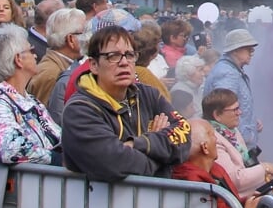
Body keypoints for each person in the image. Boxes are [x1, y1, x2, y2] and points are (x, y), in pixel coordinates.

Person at [61, 26, 191, 181]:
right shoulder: (80, 110)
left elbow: (185, 134)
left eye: (129, 55)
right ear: (94, 65)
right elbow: (114, 164)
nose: (124, 62)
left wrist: (139, 143)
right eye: (113, 56)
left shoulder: (149, 95)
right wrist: (162, 159)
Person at [0, 25, 62, 165]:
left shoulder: (28, 99)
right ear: (18, 59)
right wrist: (56, 159)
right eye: (31, 50)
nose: (35, 55)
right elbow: (8, 148)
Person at [172, 121, 252, 208]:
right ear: (205, 147)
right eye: (212, 135)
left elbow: (228, 207)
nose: (216, 139)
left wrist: (248, 202)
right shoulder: (193, 183)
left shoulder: (215, 169)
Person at [201, 87, 273, 195]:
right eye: (235, 109)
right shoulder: (213, 139)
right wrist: (265, 168)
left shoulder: (231, 130)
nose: (240, 112)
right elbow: (233, 179)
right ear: (217, 115)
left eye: (239, 108)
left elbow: (244, 165)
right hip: (234, 202)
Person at [203, 29, 261, 145]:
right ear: (235, 50)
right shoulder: (227, 73)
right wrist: (242, 137)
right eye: (248, 48)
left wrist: (252, 122)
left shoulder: (231, 70)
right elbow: (226, 111)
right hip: (236, 143)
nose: (252, 52)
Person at [31, 8, 86, 104]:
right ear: (71, 40)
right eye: (84, 32)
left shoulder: (63, 66)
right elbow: (45, 115)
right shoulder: (50, 74)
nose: (89, 37)